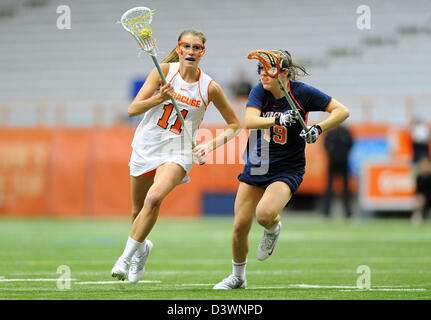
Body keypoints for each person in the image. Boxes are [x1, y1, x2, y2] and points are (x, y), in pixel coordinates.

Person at [213, 49, 350, 290]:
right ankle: (238, 277)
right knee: (239, 225)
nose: (262, 75)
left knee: (264, 215)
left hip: (287, 167)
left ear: (284, 73)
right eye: (260, 70)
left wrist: (318, 128)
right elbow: (250, 121)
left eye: (268, 70)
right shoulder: (259, 91)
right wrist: (278, 119)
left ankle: (273, 227)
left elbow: (342, 111)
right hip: (258, 162)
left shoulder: (303, 93)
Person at [111, 30, 241, 283]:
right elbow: (132, 109)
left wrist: (209, 145)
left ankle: (123, 259)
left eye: (197, 48)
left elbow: (234, 125)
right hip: (147, 145)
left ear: (203, 52)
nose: (191, 52)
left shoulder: (209, 87)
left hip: (178, 151)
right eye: (187, 46)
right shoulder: (162, 72)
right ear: (179, 49)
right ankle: (141, 249)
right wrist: (160, 97)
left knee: (154, 197)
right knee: (137, 210)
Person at [322, 125, 353, 218]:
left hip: (344, 163)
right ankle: (326, 212)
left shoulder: (346, 132)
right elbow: (325, 145)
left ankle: (348, 213)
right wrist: (332, 155)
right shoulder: (331, 132)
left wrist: (344, 155)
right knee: (329, 188)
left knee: (346, 189)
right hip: (333, 163)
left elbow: (351, 144)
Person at [411, 156, 431, 225]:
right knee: (420, 200)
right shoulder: (419, 177)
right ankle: (417, 218)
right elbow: (419, 191)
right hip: (423, 198)